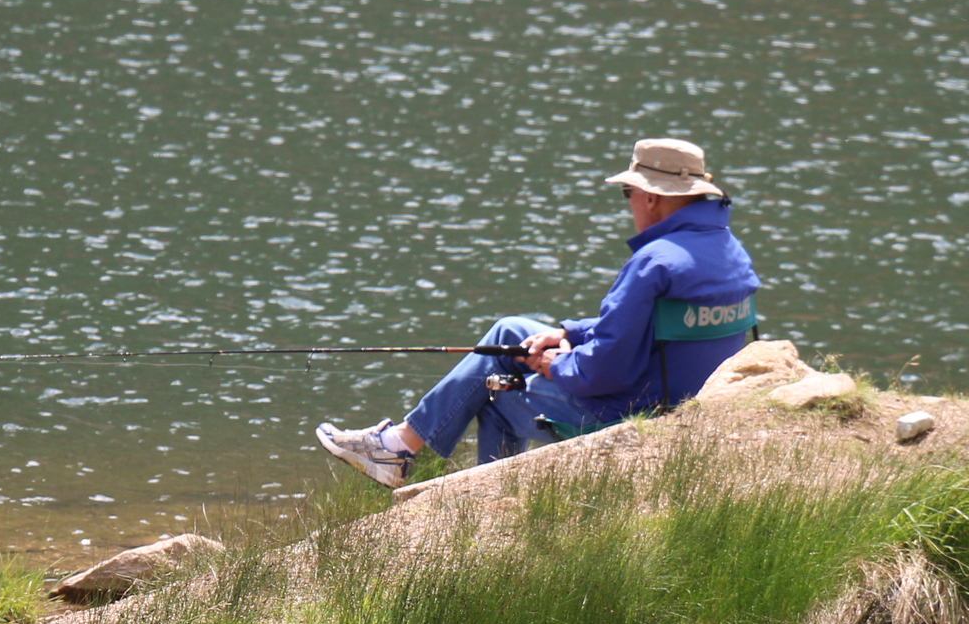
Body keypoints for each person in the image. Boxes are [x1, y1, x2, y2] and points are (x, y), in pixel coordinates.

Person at [315, 137, 763, 488]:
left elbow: (602, 373)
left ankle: (426, 464)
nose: (628, 202)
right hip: (678, 393)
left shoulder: (655, 261)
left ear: (651, 197)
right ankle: (402, 448)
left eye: (628, 191)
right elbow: (641, 328)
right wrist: (567, 333)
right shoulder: (728, 251)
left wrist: (556, 363)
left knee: (495, 389)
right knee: (510, 330)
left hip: (629, 410)